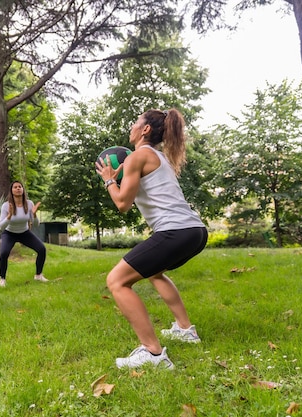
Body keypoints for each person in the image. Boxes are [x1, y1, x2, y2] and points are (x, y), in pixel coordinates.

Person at [95, 108, 208, 369]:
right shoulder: (159, 156)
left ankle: (154, 354)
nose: (132, 126)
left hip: (176, 231)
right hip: (195, 232)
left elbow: (123, 204)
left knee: (117, 281)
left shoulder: (138, 156)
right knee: (155, 272)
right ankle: (185, 329)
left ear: (145, 129)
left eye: (136, 122)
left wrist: (110, 181)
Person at [0, 181, 48, 287]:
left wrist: (34, 215)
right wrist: (9, 217)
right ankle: (2, 279)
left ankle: (38, 275)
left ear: (23, 190)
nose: (18, 188)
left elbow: (36, 224)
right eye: (15, 187)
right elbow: (0, 227)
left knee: (42, 249)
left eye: (20, 186)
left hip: (24, 232)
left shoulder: (29, 204)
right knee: (4, 253)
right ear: (11, 191)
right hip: (9, 233)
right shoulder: (6, 206)